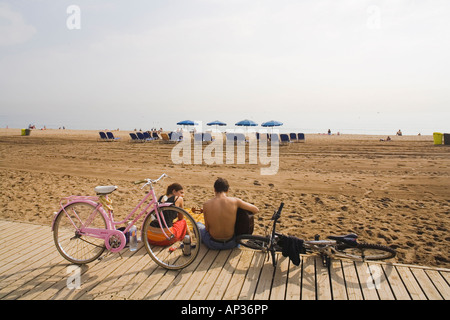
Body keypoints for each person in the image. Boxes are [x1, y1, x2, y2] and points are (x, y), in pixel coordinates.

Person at [198, 178, 259, 250]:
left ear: (214, 189)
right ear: (227, 190)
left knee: (198, 225)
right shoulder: (235, 201)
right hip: (232, 243)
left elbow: (207, 229)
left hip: (213, 244)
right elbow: (256, 210)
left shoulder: (206, 204)